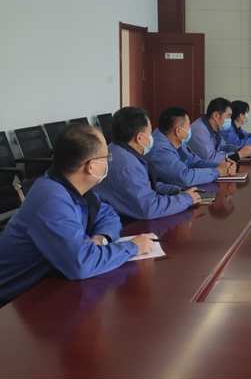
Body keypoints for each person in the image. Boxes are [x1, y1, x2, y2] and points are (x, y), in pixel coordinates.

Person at [0, 123, 155, 306]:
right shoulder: (52, 201)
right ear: (91, 167)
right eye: (107, 157)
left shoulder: (73, 185)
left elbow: (109, 215)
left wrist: (100, 239)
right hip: (14, 302)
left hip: (50, 282)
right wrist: (133, 247)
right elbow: (81, 264)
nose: (108, 162)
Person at [93, 107, 201, 221]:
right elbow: (149, 208)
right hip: (122, 222)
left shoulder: (115, 148)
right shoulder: (128, 166)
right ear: (139, 137)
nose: (152, 137)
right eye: (150, 133)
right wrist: (185, 199)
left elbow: (144, 184)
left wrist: (175, 190)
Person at [146, 107, 236, 188]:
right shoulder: (159, 150)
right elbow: (185, 177)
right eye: (188, 126)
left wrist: (223, 166)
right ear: (178, 131)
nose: (190, 129)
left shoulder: (178, 142)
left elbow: (195, 162)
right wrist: (218, 171)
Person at [188, 97, 251, 163]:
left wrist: (240, 149)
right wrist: (238, 155)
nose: (230, 120)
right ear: (216, 116)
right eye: (228, 116)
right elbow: (211, 159)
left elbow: (224, 146)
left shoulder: (213, 128)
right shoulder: (199, 130)